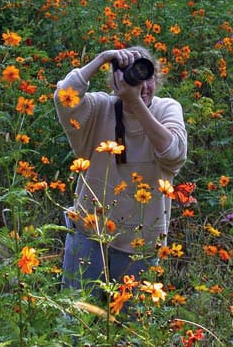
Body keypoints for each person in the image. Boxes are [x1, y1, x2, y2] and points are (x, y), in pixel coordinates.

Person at [54, 46, 187, 295]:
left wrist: (135, 103)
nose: (142, 86)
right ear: (116, 82)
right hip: (89, 233)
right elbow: (63, 97)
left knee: (131, 328)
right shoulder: (100, 108)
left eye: (147, 77)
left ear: (156, 79)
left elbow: (174, 153)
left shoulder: (166, 109)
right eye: (132, 77)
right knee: (74, 322)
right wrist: (102, 58)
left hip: (141, 242)